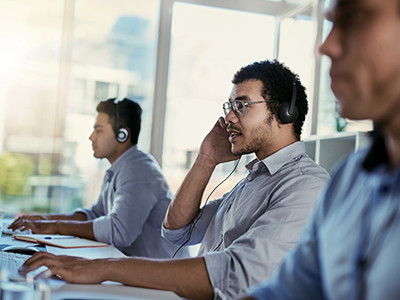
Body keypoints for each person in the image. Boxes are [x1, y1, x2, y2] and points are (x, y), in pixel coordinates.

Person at [21, 60, 330, 300]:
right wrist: (206, 159)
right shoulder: (251, 180)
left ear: (284, 112)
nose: (229, 118)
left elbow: (234, 275)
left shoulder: (305, 186)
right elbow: (177, 231)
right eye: (229, 107)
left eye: (242, 105)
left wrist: (103, 268)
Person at [240, 0, 400, 299]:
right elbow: (287, 291)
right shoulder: (350, 178)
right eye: (331, 22)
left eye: (354, 17)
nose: (325, 46)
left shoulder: (308, 183)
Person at [9, 98, 185, 259]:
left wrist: (56, 226)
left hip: (160, 284)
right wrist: (45, 220)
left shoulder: (139, 170)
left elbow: (119, 232)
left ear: (122, 134)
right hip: (137, 273)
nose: (91, 137)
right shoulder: (120, 168)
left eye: (99, 130)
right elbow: (95, 214)